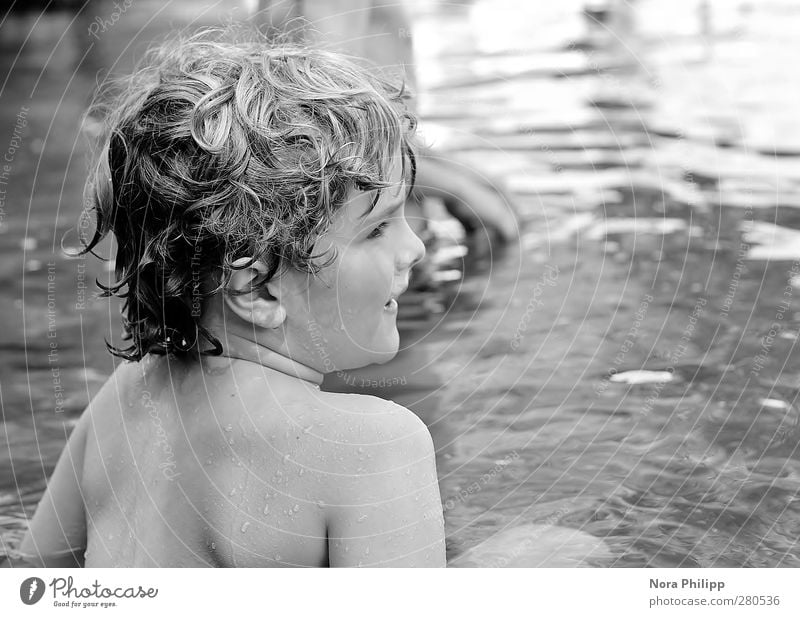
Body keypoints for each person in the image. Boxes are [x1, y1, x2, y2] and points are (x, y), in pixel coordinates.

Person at [14, 29, 446, 567]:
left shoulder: (125, 399)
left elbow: (33, 577)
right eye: (377, 229)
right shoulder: (371, 444)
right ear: (258, 287)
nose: (416, 247)